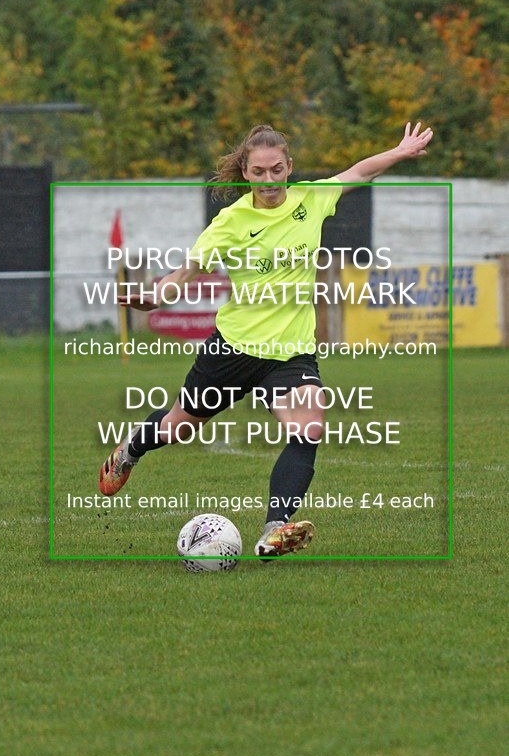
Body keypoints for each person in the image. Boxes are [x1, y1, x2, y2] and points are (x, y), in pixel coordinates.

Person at [99, 121, 433, 558]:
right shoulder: (231, 222)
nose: (270, 180)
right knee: (177, 428)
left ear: (289, 167)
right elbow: (184, 274)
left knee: (309, 426)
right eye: (259, 172)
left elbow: (359, 172)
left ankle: (275, 529)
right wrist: (154, 297)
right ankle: (130, 451)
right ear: (245, 173)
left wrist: (400, 151)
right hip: (234, 347)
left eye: (277, 169)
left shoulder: (311, 201)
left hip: (291, 351)